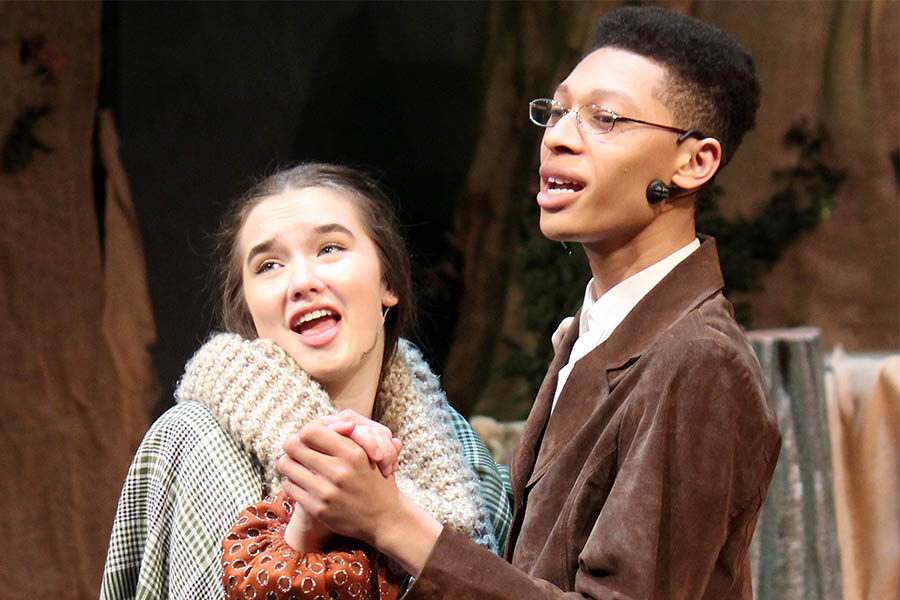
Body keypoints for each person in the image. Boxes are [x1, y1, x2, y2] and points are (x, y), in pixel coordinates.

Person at [275, 5, 782, 599]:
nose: (559, 137)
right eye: (559, 110)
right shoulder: (593, 331)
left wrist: (393, 521)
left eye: (605, 118)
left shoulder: (699, 360)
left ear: (694, 162)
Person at [99, 163, 512, 599]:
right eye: (269, 265)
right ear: (250, 312)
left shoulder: (465, 455)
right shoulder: (196, 441)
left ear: (387, 281)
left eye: (330, 248)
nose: (301, 282)